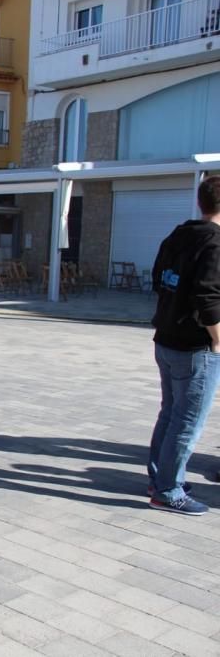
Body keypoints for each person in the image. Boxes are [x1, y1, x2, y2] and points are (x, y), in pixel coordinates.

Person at [146, 175, 220, 516]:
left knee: (170, 413)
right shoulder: (216, 243)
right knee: (186, 422)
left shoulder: (178, 234)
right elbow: (208, 299)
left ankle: (161, 478)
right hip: (196, 348)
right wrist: (217, 341)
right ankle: (167, 490)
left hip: (166, 338)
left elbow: (158, 280)